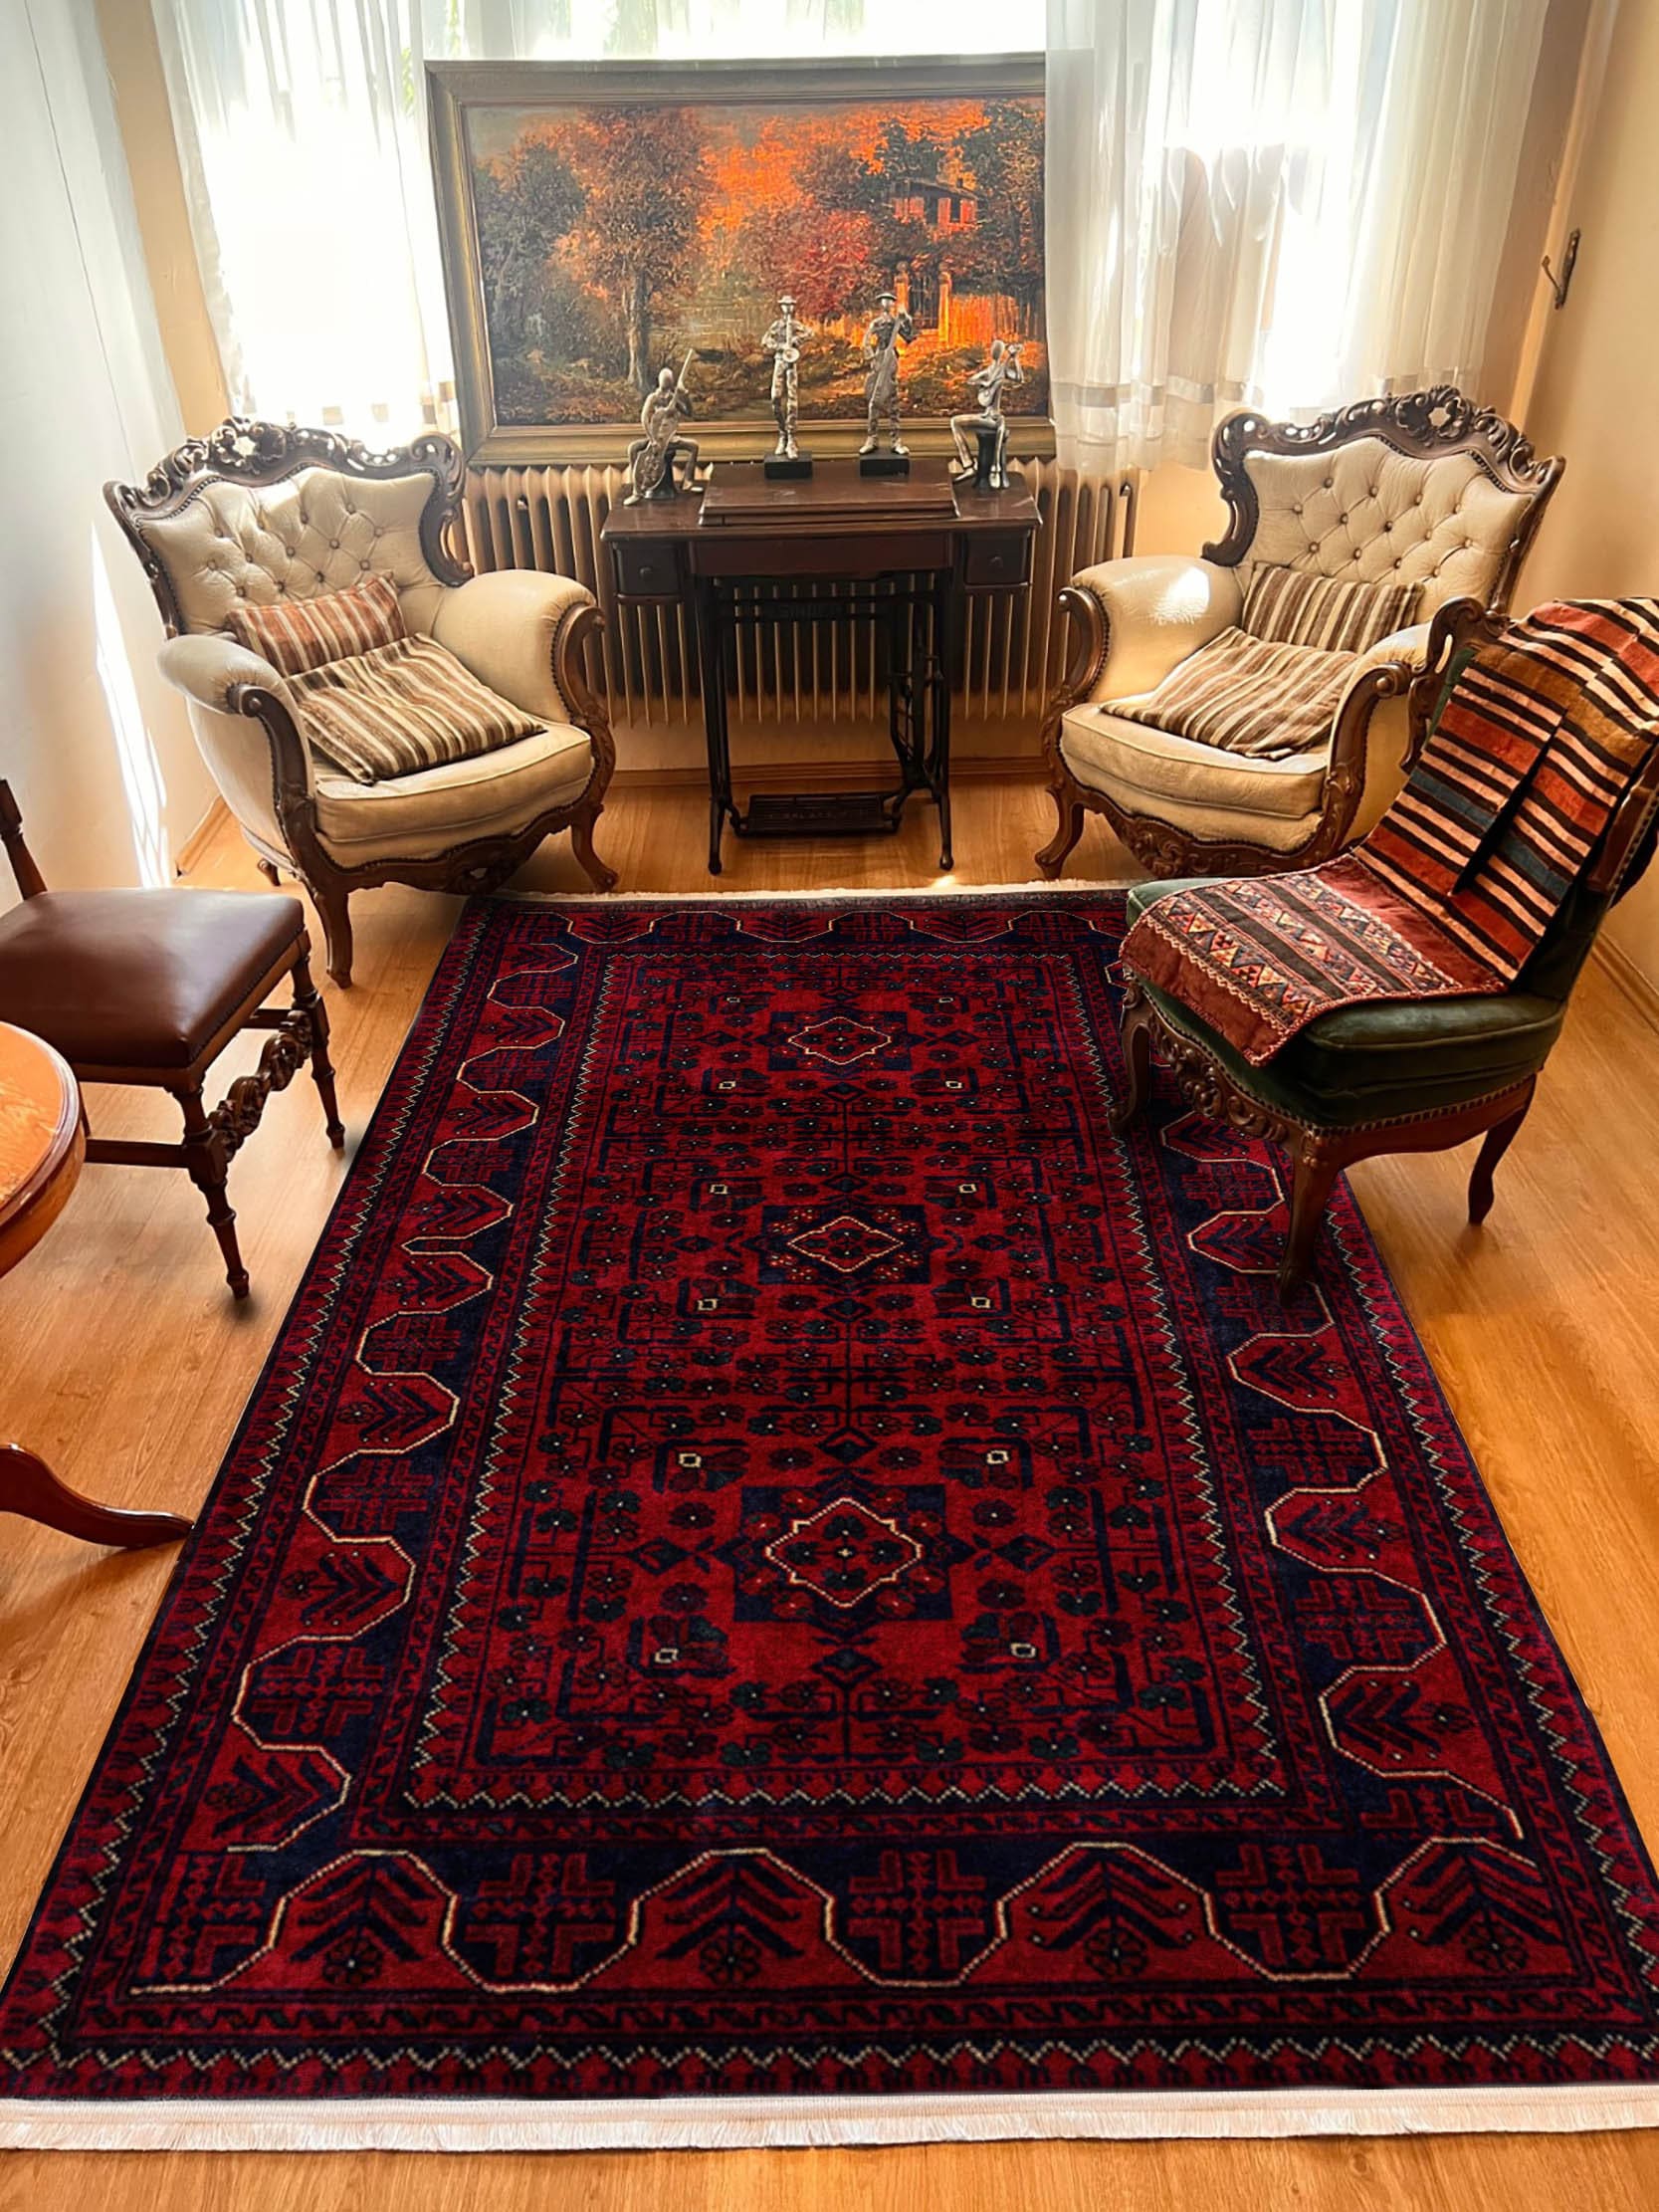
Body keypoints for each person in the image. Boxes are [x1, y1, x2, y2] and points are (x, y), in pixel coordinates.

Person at [949, 338, 1025, 488]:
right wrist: (986, 383)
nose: (994, 351)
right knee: (955, 421)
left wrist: (1015, 358)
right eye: (993, 349)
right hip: (984, 415)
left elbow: (1019, 379)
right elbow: (971, 380)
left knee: (1000, 427)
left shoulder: (1003, 370)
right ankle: (968, 465)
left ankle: (995, 468)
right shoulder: (990, 370)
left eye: (997, 349)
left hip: (993, 419)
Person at [624, 355, 698, 505]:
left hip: (670, 439)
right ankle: (637, 490)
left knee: (693, 446)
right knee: (633, 448)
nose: (665, 393)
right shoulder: (652, 398)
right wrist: (651, 439)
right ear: (659, 382)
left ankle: (687, 481)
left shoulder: (674, 398)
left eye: (668, 387)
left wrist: (685, 396)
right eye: (664, 387)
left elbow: (689, 413)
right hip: (654, 438)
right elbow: (644, 418)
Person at [859, 290, 915, 457]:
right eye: (883, 300)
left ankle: (896, 440)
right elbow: (866, 341)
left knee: (893, 400)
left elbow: (909, 336)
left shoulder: (895, 322)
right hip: (879, 357)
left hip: (891, 359)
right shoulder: (876, 322)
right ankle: (872, 437)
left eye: (889, 300)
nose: (886, 303)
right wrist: (872, 358)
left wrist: (907, 319)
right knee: (874, 399)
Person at [760, 295, 813, 460]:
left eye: (790, 305)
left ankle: (791, 437)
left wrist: (798, 340)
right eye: (785, 305)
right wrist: (780, 346)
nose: (788, 308)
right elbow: (765, 340)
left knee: (792, 399)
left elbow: (810, 333)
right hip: (780, 360)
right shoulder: (778, 325)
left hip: (792, 363)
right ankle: (782, 432)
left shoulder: (796, 325)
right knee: (775, 397)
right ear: (781, 307)